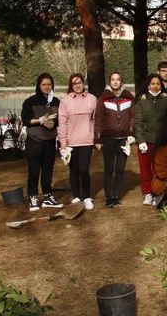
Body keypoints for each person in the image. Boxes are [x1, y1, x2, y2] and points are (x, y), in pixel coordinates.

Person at [21, 73, 62, 212]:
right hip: (34, 141)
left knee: (47, 170)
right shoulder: (30, 101)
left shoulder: (56, 102)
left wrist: (53, 123)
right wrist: (39, 121)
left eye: (49, 84)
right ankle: (32, 197)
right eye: (44, 84)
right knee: (34, 170)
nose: (46, 87)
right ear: (39, 85)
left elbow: (59, 120)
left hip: (50, 141)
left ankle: (47, 196)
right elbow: (26, 120)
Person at [57, 73, 98, 210]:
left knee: (84, 169)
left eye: (79, 82)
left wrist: (96, 138)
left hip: (87, 140)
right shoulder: (65, 101)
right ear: (71, 85)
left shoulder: (92, 99)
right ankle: (76, 196)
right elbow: (62, 123)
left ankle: (86, 197)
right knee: (74, 170)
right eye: (74, 83)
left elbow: (96, 120)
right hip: (71, 142)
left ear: (83, 83)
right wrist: (63, 144)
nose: (78, 85)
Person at [94, 72, 135, 208]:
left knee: (120, 169)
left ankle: (116, 196)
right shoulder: (104, 98)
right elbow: (98, 119)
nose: (115, 82)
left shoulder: (128, 97)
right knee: (109, 168)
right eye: (113, 79)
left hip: (123, 140)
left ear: (121, 81)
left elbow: (132, 117)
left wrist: (131, 133)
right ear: (109, 82)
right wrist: (98, 139)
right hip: (108, 139)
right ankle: (108, 196)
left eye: (118, 79)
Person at [134, 73, 167, 205]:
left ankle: (156, 192)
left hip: (161, 141)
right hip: (146, 140)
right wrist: (140, 140)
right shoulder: (142, 100)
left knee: (158, 169)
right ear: (148, 85)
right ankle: (147, 193)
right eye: (153, 84)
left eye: (158, 84)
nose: (155, 86)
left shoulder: (166, 99)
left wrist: (166, 137)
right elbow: (138, 122)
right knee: (145, 169)